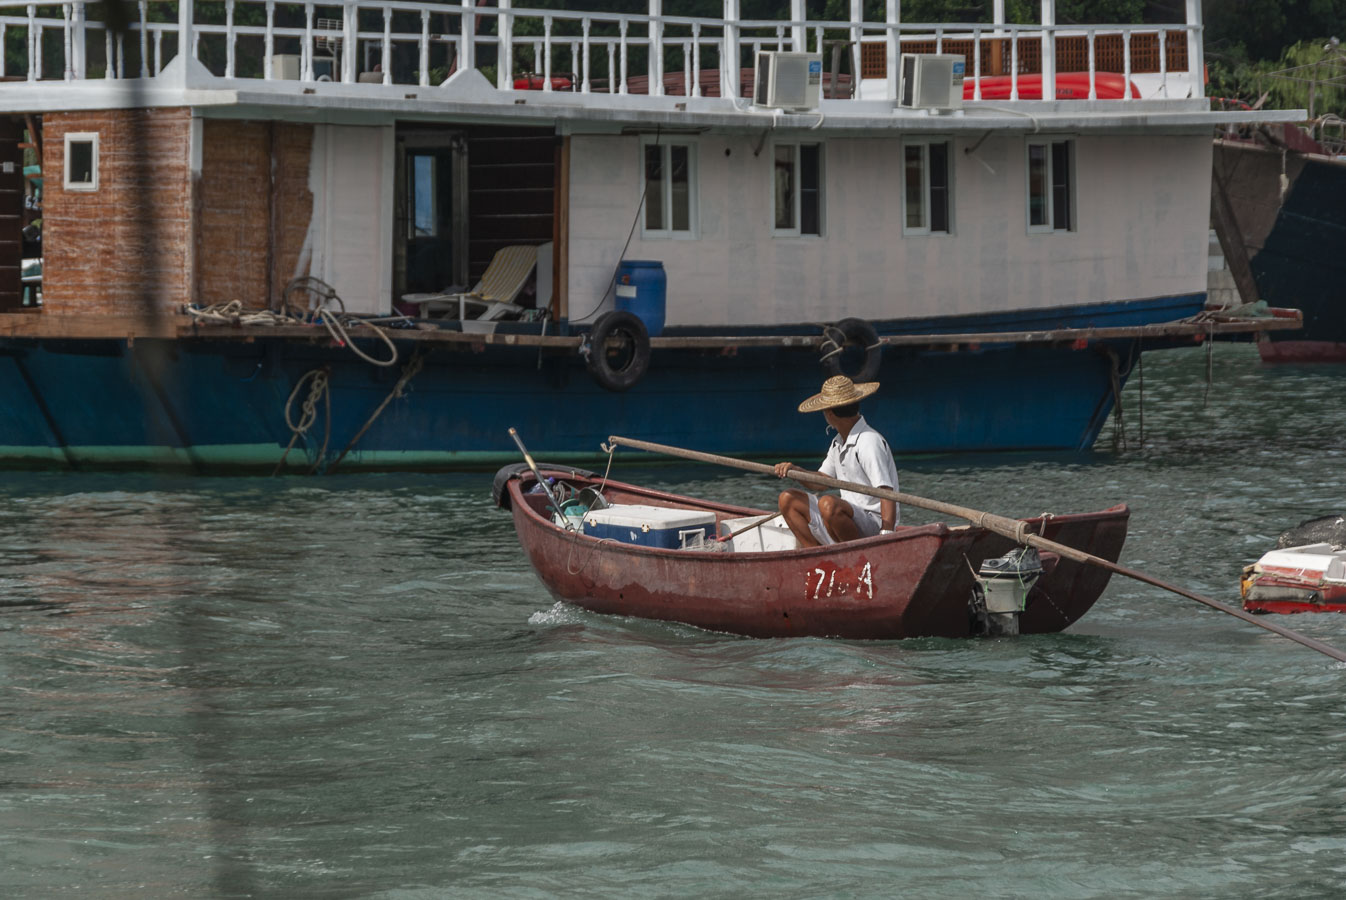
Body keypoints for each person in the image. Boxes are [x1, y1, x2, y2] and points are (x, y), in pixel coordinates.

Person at [775, 375, 899, 547]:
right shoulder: (838, 442)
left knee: (828, 504)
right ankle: (814, 555)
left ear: (829, 413)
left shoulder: (869, 441)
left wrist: (886, 535)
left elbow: (886, 492)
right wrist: (795, 471)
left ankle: (857, 553)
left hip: (873, 524)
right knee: (787, 498)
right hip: (845, 520)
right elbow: (822, 481)